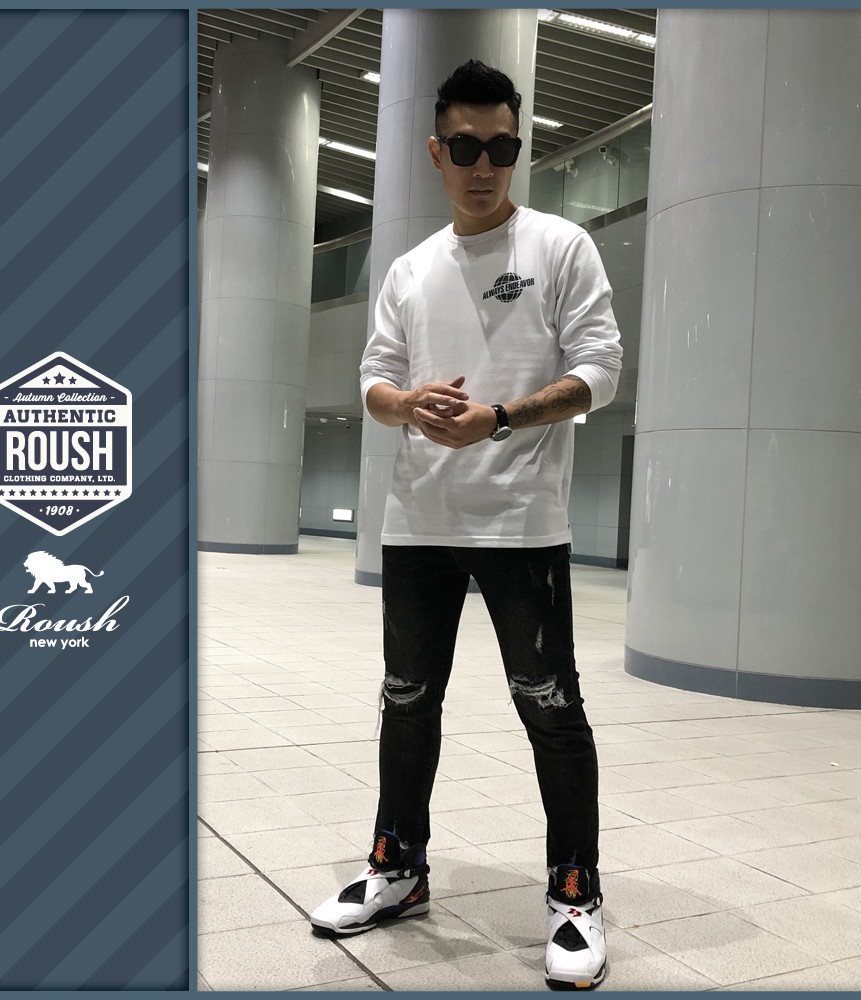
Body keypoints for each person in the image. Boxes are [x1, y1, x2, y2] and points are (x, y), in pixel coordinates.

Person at [309, 59, 622, 991]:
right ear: (436, 151)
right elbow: (374, 378)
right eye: (467, 147)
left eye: (503, 147)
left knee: (551, 708)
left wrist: (500, 418)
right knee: (407, 701)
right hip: (419, 522)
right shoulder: (410, 269)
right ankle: (397, 867)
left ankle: (575, 892)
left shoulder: (561, 246)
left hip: (524, 525)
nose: (486, 165)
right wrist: (405, 405)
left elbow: (600, 371)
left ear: (517, 150)